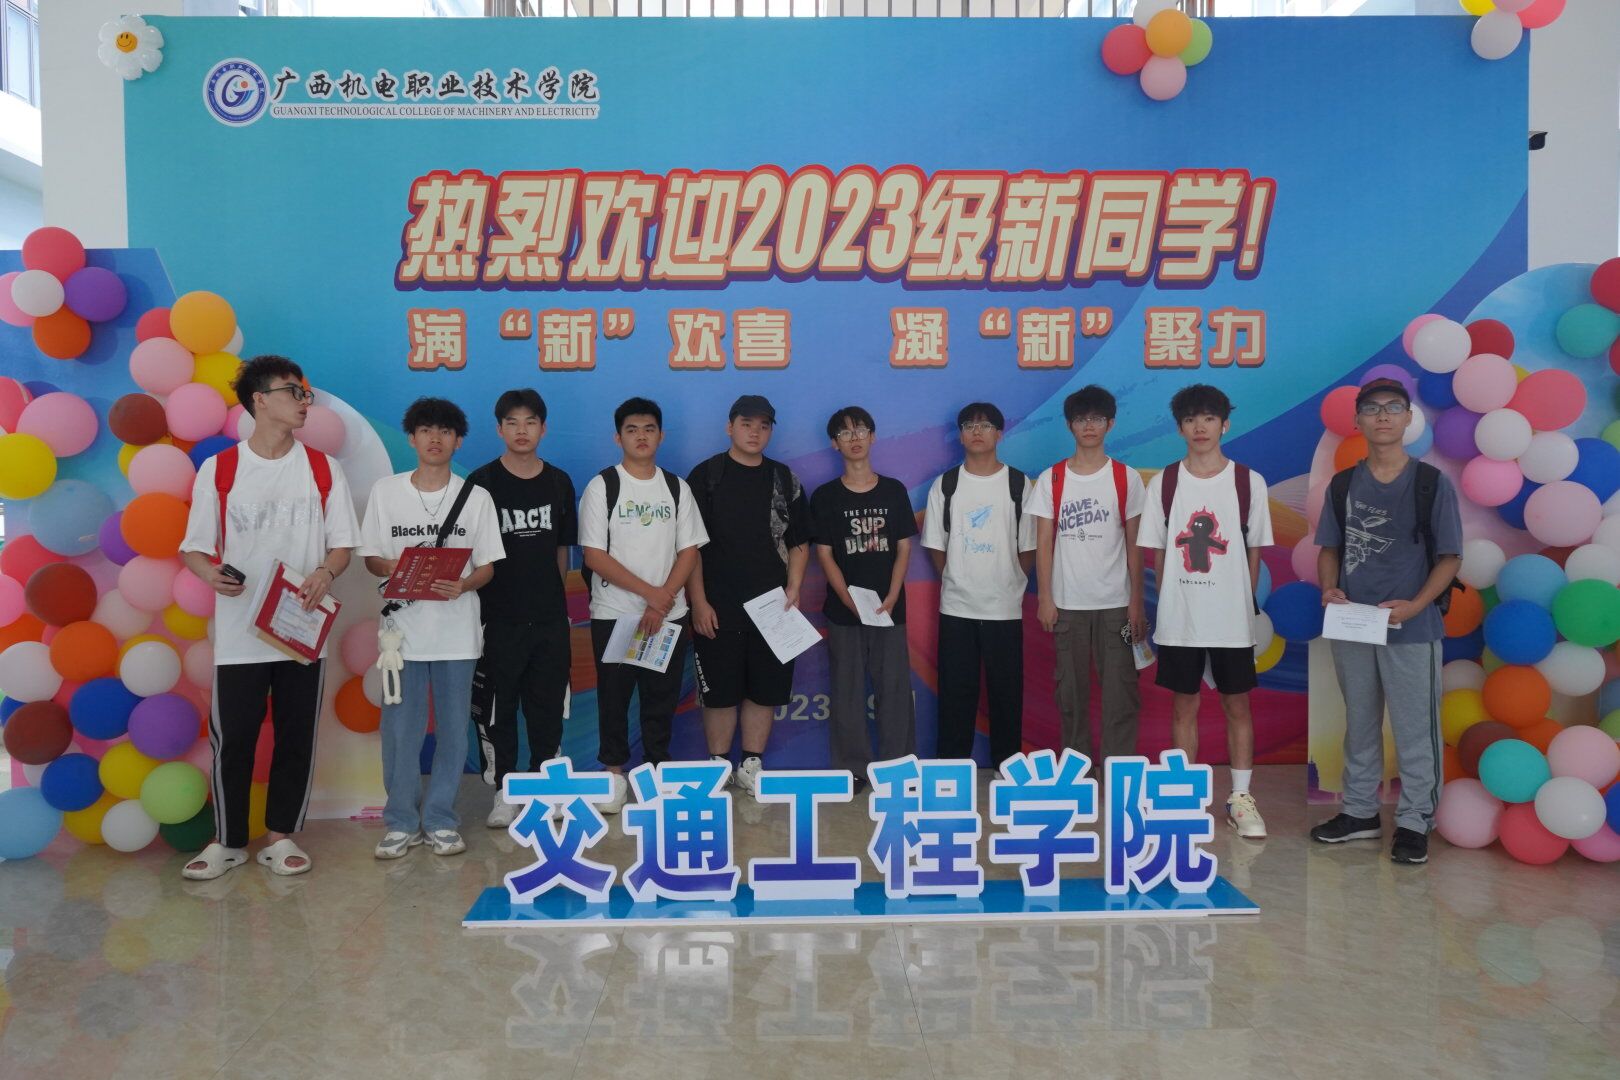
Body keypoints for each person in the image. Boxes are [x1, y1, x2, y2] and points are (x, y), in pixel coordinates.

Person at [178, 354, 360, 880]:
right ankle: (227, 840)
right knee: (233, 737)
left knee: (295, 734)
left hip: (300, 629)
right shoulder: (221, 470)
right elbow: (194, 549)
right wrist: (210, 574)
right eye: (293, 392)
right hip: (241, 632)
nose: (304, 402)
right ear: (259, 400)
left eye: (306, 394)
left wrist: (325, 572)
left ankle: (281, 836)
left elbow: (343, 544)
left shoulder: (323, 469)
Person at [1311, 377, 1462, 865]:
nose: (1382, 415)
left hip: (1412, 628)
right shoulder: (1342, 485)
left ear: (1407, 419)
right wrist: (1329, 588)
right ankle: (1359, 812)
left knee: (1415, 730)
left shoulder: (1430, 483)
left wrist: (1416, 605)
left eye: (1393, 407)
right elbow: (1329, 549)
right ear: (1357, 420)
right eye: (1372, 408)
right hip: (1353, 624)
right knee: (1359, 724)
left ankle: (1415, 821)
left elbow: (1450, 558)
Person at [359, 397, 504, 859]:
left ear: (458, 440)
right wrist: (397, 567)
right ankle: (400, 821)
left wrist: (463, 585)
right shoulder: (386, 492)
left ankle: (441, 819)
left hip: (457, 634)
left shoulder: (476, 497)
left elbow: (488, 566)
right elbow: (371, 557)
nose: (435, 438)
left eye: (445, 431)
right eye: (426, 430)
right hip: (401, 635)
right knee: (400, 731)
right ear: (412, 438)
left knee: (454, 732)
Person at [1137, 384, 1274, 839]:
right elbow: (1157, 553)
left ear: (1224, 424)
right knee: (1184, 705)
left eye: (1209, 418)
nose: (1200, 427)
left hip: (1231, 620)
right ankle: (1185, 797)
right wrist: (1173, 602)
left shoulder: (1247, 481)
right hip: (1181, 620)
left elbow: (1253, 551)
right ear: (1180, 428)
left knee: (1237, 704)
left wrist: (1242, 606)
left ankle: (1241, 798)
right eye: (1191, 419)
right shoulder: (1165, 482)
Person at [579, 397, 708, 813]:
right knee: (614, 699)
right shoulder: (602, 486)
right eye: (632, 430)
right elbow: (594, 555)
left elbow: (689, 551)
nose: (641, 436)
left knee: (660, 700)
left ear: (661, 436)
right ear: (618, 437)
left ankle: (655, 774)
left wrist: (662, 598)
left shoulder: (677, 488)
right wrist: (650, 594)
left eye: (649, 429)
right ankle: (614, 775)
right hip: (615, 613)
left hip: (667, 616)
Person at [686, 395, 812, 796]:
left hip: (772, 606)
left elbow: (799, 542)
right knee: (719, 693)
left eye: (763, 426)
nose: (754, 432)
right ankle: (719, 765)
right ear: (730, 427)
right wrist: (699, 602)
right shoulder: (706, 476)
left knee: (764, 689)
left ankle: (751, 763)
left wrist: (794, 586)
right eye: (746, 424)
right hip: (717, 605)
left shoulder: (784, 480)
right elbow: (689, 548)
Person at [467, 389, 577, 829]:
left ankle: (547, 787)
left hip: (549, 617)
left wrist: (554, 600)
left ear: (543, 428)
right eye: (512, 422)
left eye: (530, 422)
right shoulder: (482, 483)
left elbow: (562, 551)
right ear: (499, 429)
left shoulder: (559, 482)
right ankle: (505, 791)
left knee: (547, 707)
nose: (521, 430)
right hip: (498, 618)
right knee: (499, 709)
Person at [1028, 385, 1146, 765]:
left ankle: (1118, 771)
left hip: (1117, 607)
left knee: (1121, 692)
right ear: (1070, 425)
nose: (1089, 426)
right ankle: (1077, 772)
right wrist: (1045, 598)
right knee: (1070, 694)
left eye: (1096, 418)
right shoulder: (1053, 478)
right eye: (1081, 419)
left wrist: (1136, 603)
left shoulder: (1126, 478)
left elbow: (1135, 545)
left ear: (1110, 423)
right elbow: (1043, 543)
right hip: (1067, 606)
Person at [920, 402, 1034, 767]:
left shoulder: (1018, 484)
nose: (977, 431)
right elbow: (936, 546)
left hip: (1005, 607)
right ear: (960, 435)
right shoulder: (946, 485)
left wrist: (1012, 582)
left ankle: (1008, 768)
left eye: (985, 426)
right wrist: (957, 578)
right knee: (955, 693)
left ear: (999, 433)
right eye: (969, 425)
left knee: (1007, 693)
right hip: (957, 607)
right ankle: (950, 770)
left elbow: (1028, 548)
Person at [812, 405, 917, 786]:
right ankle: (852, 769)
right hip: (844, 612)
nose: (854, 439)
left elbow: (903, 547)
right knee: (847, 692)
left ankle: (897, 770)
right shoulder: (825, 496)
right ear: (834, 444)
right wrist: (848, 600)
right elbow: (824, 554)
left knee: (894, 691)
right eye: (845, 433)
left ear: (872, 437)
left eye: (860, 431)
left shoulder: (893, 490)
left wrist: (892, 594)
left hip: (889, 609)